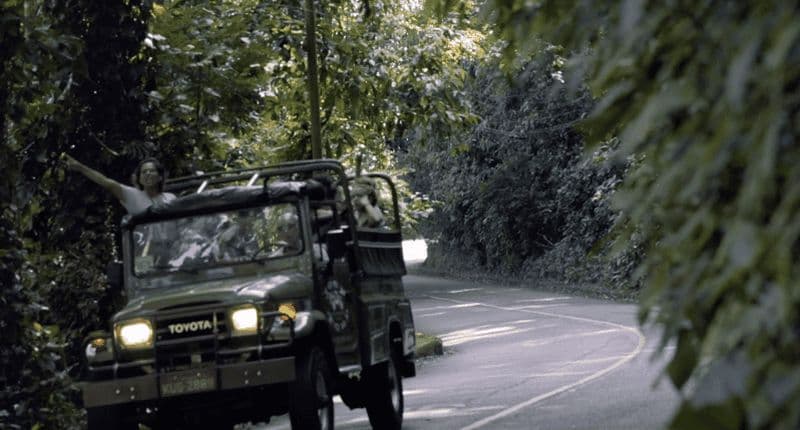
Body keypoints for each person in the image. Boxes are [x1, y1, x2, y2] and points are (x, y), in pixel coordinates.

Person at [64, 154, 176, 215]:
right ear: (139, 179)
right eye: (144, 172)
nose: (147, 174)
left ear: (160, 177)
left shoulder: (170, 198)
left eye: (152, 171)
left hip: (171, 251)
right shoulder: (133, 195)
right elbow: (108, 183)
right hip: (145, 253)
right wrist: (80, 168)